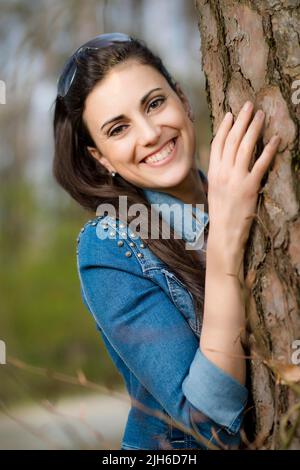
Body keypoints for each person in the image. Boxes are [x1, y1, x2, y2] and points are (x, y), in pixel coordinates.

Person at [52, 32, 281, 450]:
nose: (150, 132)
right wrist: (226, 238)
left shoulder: (242, 194)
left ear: (182, 99)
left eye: (155, 103)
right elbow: (209, 424)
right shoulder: (109, 246)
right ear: (100, 157)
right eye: (118, 129)